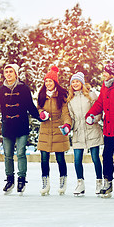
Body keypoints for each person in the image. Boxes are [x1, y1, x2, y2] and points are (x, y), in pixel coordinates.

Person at [0, 63, 41, 195]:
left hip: (21, 125)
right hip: (8, 125)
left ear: (16, 73)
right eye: (6, 72)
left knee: (21, 153)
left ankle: (21, 179)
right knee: (8, 155)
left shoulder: (24, 89)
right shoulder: (0, 90)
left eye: (11, 71)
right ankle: (10, 180)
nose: (8, 74)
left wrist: (39, 117)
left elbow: (30, 106)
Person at [85, 61, 114, 198]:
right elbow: (100, 102)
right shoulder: (105, 86)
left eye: (105, 72)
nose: (103, 74)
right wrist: (90, 114)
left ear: (112, 74)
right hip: (109, 127)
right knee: (106, 155)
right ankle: (108, 181)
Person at [66, 72, 103, 196]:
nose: (75, 84)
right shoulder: (70, 99)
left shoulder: (91, 95)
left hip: (92, 130)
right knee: (77, 160)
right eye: (73, 82)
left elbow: (98, 111)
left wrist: (94, 118)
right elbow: (70, 117)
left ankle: (99, 182)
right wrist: (68, 127)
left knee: (95, 158)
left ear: (82, 82)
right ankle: (80, 183)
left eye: (77, 81)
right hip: (78, 132)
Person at [37, 65, 72, 196]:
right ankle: (45, 183)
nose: (48, 84)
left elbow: (66, 113)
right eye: (46, 81)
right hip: (45, 130)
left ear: (55, 82)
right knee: (44, 158)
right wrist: (41, 113)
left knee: (60, 158)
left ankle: (63, 181)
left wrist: (67, 125)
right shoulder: (41, 95)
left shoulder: (62, 95)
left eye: (50, 81)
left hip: (58, 129)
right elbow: (38, 108)